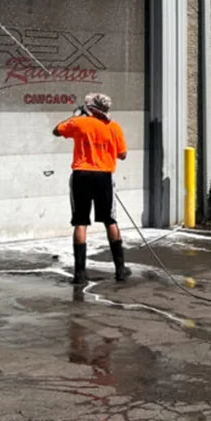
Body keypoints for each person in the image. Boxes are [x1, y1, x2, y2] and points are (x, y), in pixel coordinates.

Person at [53, 93, 131, 284]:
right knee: (110, 220)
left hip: (82, 175)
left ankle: (80, 274)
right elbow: (122, 155)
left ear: (90, 109)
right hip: (104, 176)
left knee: (80, 222)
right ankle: (120, 269)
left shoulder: (80, 123)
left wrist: (76, 116)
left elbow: (56, 131)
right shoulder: (114, 127)